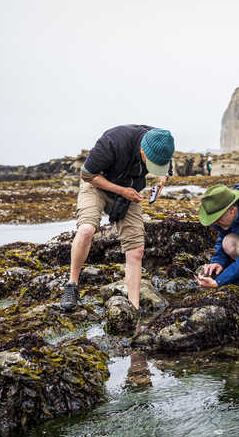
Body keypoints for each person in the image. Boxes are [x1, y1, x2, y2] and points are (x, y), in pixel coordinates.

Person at [60, 124, 174, 312]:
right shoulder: (114, 140)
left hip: (130, 192)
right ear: (142, 150)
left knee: (136, 250)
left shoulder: (163, 141)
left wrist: (162, 180)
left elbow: (167, 165)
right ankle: (72, 285)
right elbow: (87, 174)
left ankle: (133, 308)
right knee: (87, 229)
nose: (152, 168)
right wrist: (121, 191)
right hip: (97, 185)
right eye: (151, 163)